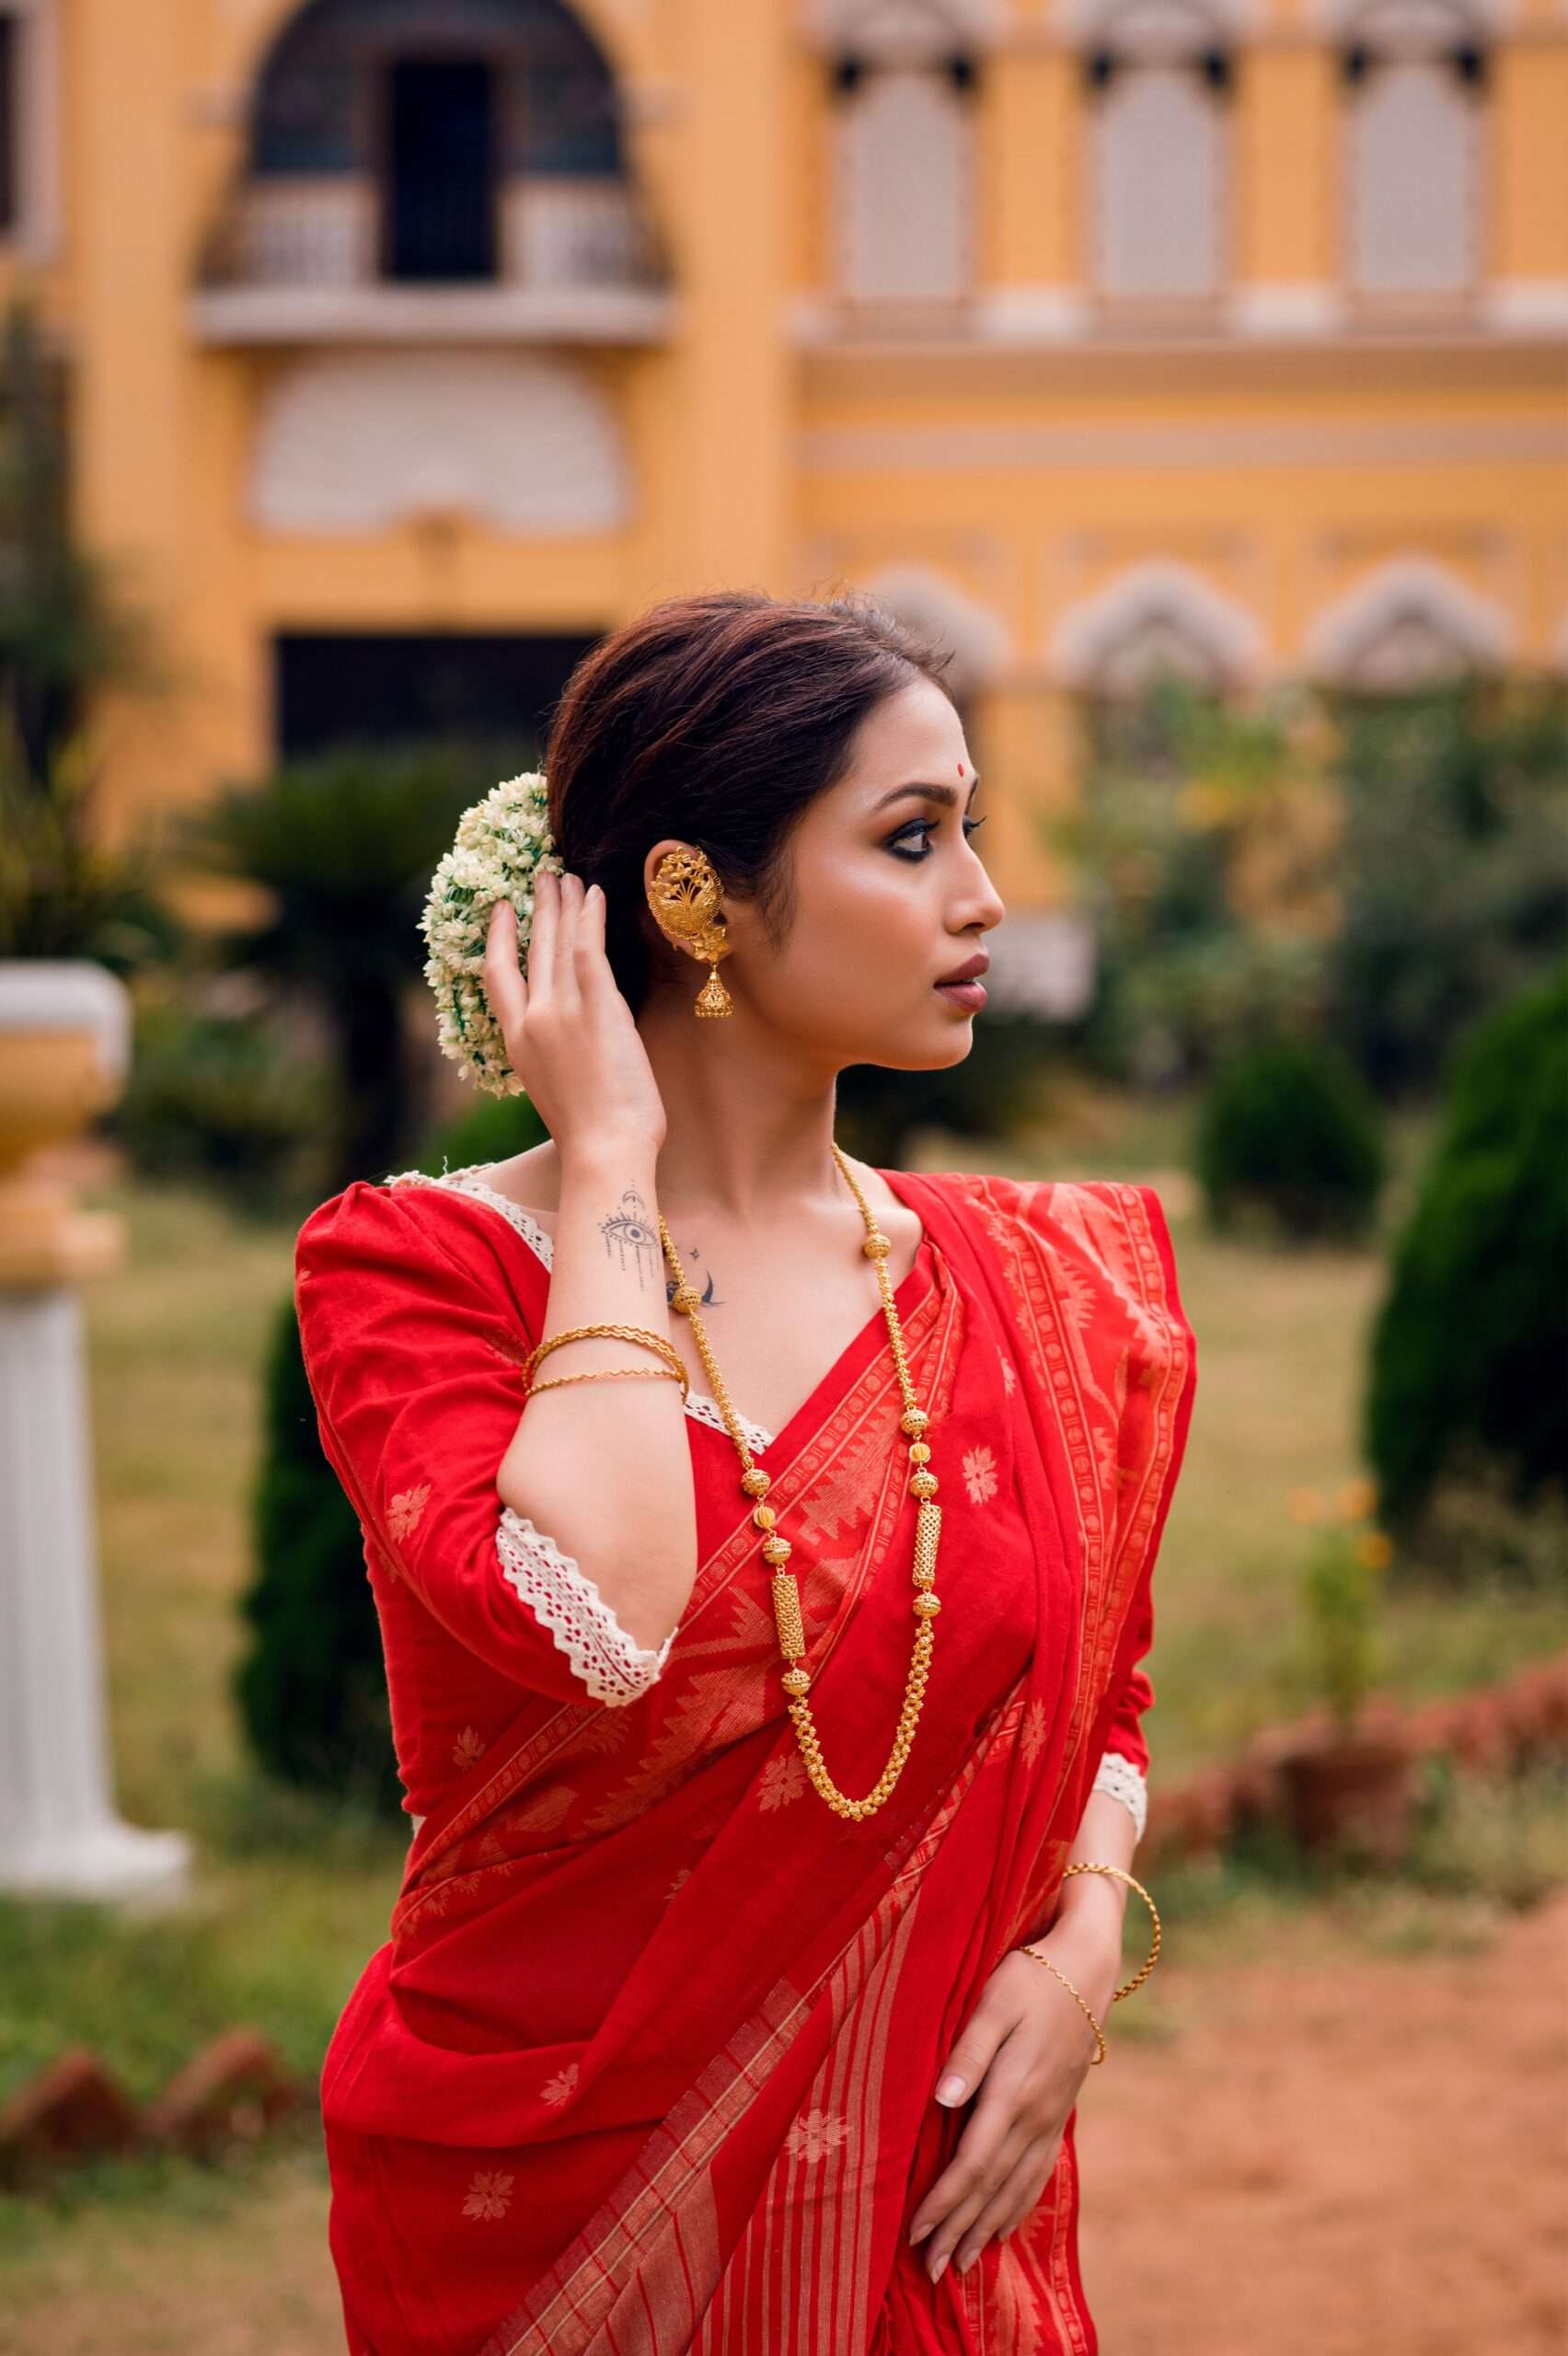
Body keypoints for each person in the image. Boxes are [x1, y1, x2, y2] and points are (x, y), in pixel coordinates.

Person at [293, 590, 1198, 2356]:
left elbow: (1099, 1697)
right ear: (697, 898)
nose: (982, 897)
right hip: (544, 2216)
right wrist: (611, 1163)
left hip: (931, 2215)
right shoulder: (421, 1274)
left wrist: (1086, 1942)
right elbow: (606, 1620)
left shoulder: (1041, 1283)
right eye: (912, 837)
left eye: (974, 832)